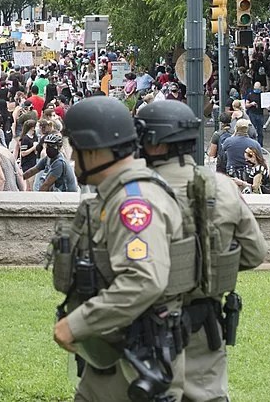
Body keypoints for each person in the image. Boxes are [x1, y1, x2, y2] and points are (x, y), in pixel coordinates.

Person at [50, 96, 193, 401]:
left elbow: (144, 278)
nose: (73, 161)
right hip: (115, 352)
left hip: (137, 359)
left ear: (94, 149)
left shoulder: (133, 203)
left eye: (77, 152)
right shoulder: (117, 196)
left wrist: (77, 324)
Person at [135, 100, 267, 402]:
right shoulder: (222, 187)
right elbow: (254, 253)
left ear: (153, 143)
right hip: (204, 324)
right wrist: (208, 264)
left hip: (147, 328)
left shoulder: (134, 193)